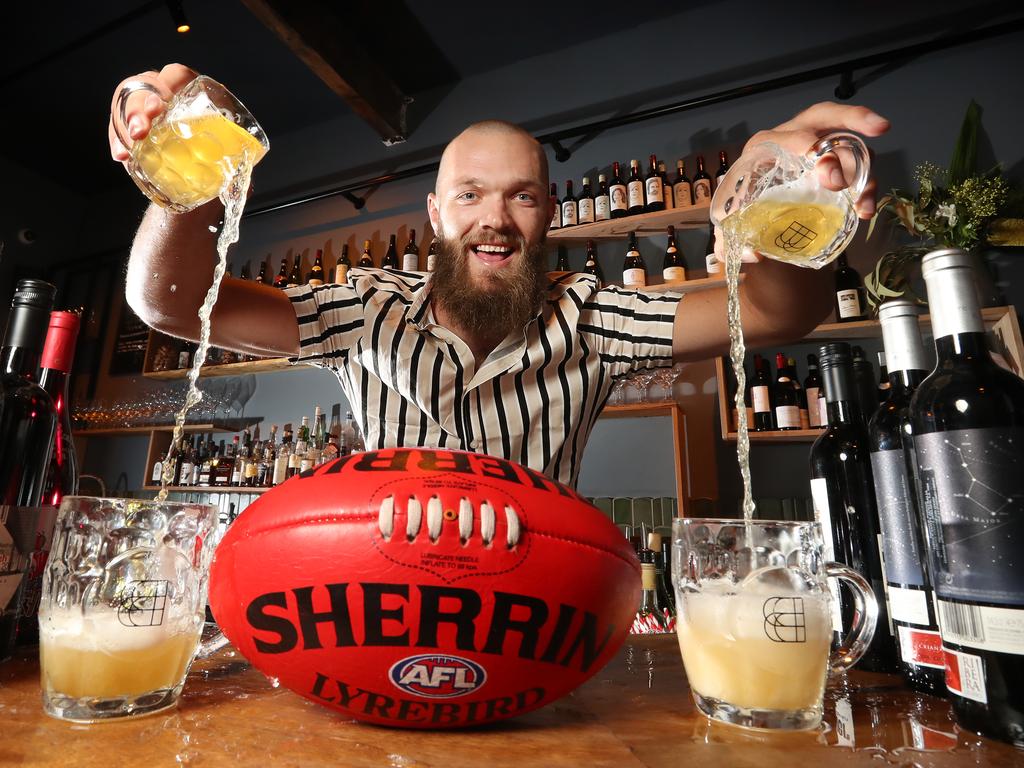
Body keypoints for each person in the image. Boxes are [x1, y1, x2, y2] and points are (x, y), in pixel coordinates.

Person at [112, 64, 888, 487]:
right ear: (436, 215)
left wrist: (778, 204)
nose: (495, 218)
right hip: (375, 620)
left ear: (547, 213)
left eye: (521, 195)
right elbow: (171, 304)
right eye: (471, 195)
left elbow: (775, 316)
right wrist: (185, 188)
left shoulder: (591, 319)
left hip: (535, 636)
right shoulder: (364, 309)